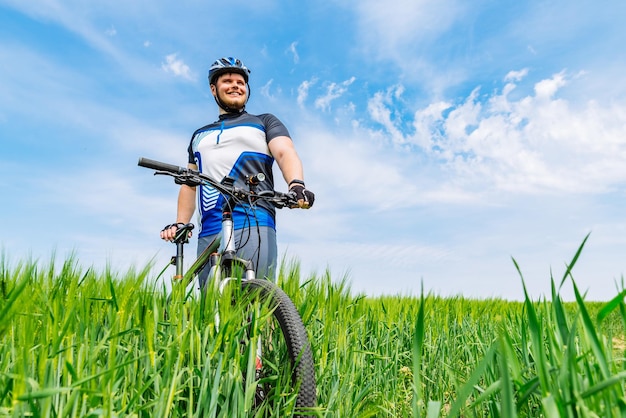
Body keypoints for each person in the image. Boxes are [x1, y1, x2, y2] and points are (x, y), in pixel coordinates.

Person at [160, 57, 314, 287]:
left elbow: (285, 152)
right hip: (210, 227)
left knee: (258, 298)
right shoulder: (199, 135)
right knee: (210, 307)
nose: (236, 85)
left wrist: (296, 184)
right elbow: (190, 183)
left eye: (241, 82)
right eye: (228, 81)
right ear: (214, 89)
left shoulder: (264, 122)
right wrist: (181, 224)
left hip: (255, 220)